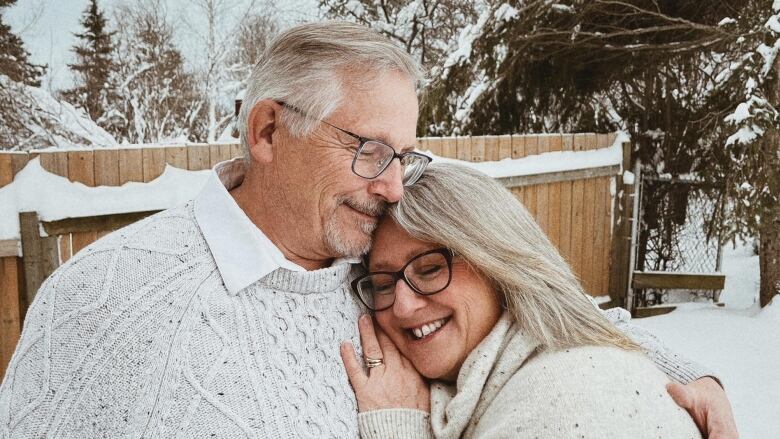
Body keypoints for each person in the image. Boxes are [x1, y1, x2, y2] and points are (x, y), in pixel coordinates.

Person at [0, 21, 735, 438]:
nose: (393, 181)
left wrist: (682, 374)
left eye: (405, 154)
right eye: (370, 150)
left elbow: (525, 293)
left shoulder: (383, 251)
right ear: (267, 129)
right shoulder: (109, 298)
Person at [341, 163, 737, 438]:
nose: (403, 307)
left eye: (429, 269)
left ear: (499, 262)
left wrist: (400, 430)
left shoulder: (559, 409)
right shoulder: (524, 361)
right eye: (382, 284)